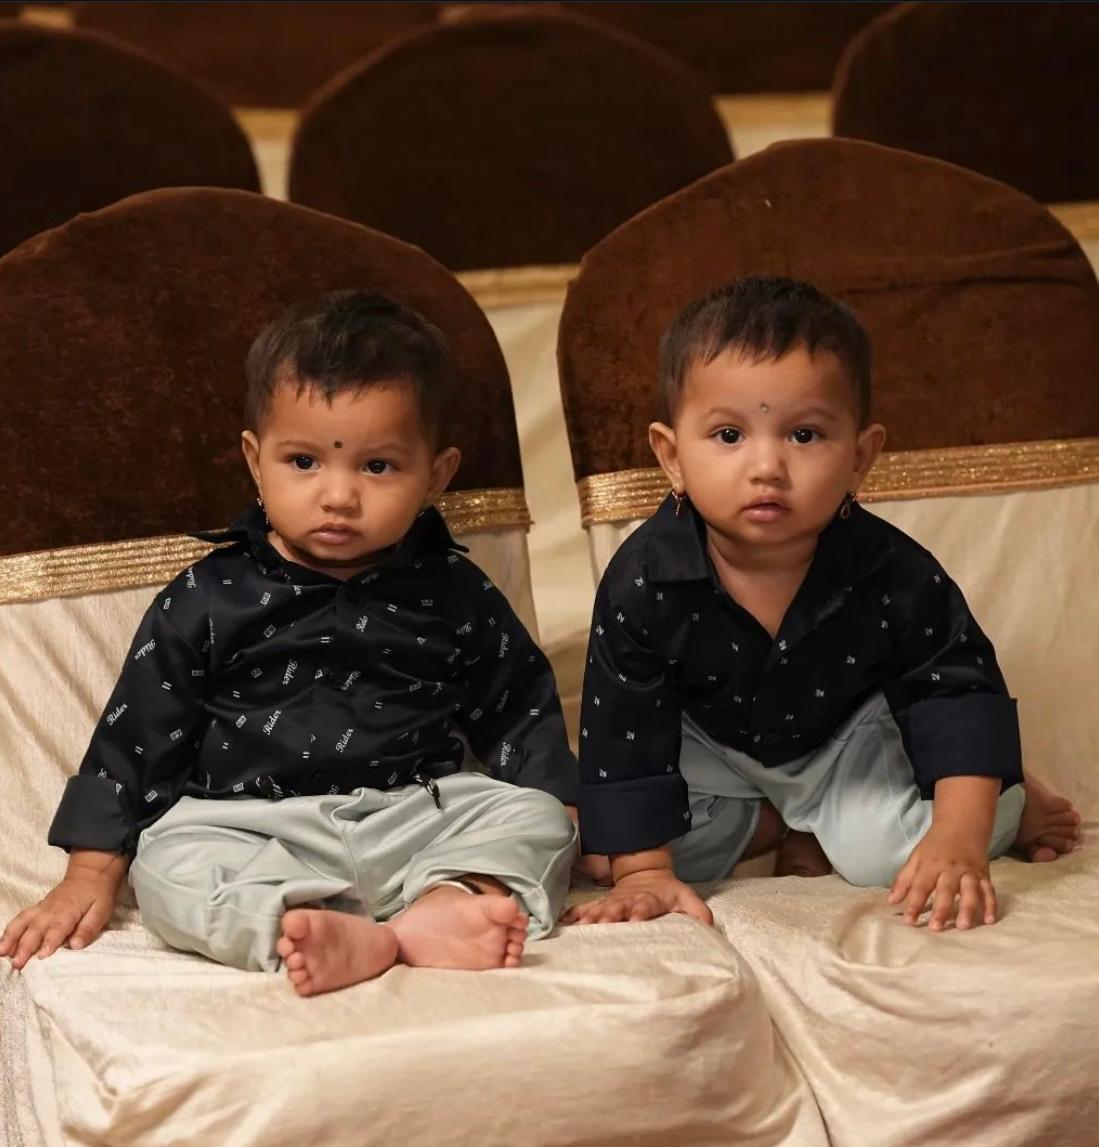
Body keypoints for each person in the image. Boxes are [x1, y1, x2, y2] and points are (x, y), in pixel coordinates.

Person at [1, 291, 581, 996]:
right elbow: (138, 734)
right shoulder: (208, 596)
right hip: (252, 829)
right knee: (167, 862)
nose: (338, 496)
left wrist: (559, 803)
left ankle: (449, 901)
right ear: (256, 461)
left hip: (415, 817)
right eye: (304, 461)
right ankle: (308, 921)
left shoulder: (454, 592)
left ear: (437, 474)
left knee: (539, 816)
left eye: (378, 467)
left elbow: (518, 706)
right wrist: (90, 871)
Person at [566, 276, 1080, 934]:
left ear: (860, 456)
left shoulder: (892, 572)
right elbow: (626, 728)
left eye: (804, 435)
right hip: (710, 742)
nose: (766, 466)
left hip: (848, 740)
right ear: (671, 457)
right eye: (728, 434)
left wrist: (960, 836)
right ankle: (781, 821)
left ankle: (1006, 798)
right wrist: (642, 872)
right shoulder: (643, 580)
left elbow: (956, 694)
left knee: (895, 855)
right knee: (613, 845)